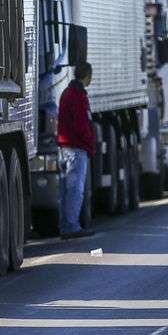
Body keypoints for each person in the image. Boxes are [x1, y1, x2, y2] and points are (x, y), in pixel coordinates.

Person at [57, 62, 96, 239]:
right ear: (87, 75)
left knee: (66, 190)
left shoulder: (67, 92)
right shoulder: (78, 95)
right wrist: (90, 142)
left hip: (65, 147)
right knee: (75, 189)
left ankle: (66, 224)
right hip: (76, 148)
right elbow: (82, 124)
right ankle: (72, 226)